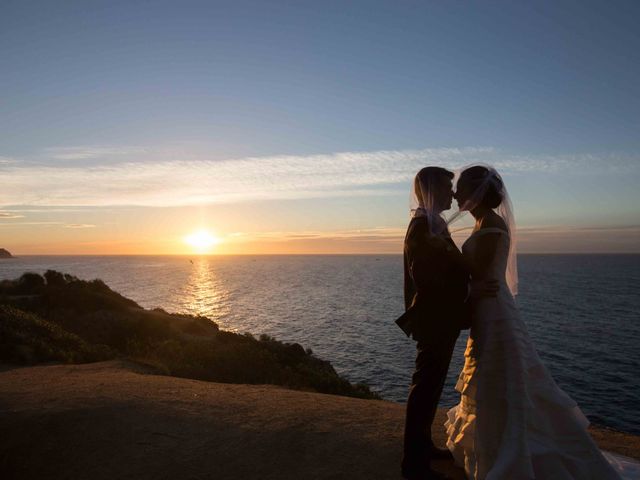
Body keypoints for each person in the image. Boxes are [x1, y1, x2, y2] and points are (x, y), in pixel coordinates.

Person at [433, 164, 637, 479]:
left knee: (501, 375)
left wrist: (446, 251)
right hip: (488, 308)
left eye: (461, 188)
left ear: (475, 193)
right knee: (495, 374)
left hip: (494, 311)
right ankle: (498, 442)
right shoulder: (485, 222)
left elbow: (476, 270)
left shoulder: (491, 225)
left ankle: (509, 447)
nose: (456, 194)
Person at [398, 166, 497, 480]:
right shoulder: (421, 227)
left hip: (442, 318)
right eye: (445, 188)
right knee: (424, 388)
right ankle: (413, 465)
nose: (451, 194)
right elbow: (427, 279)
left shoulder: (432, 223)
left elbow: (444, 271)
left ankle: (423, 447)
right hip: (434, 319)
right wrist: (471, 289)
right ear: (429, 191)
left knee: (431, 386)